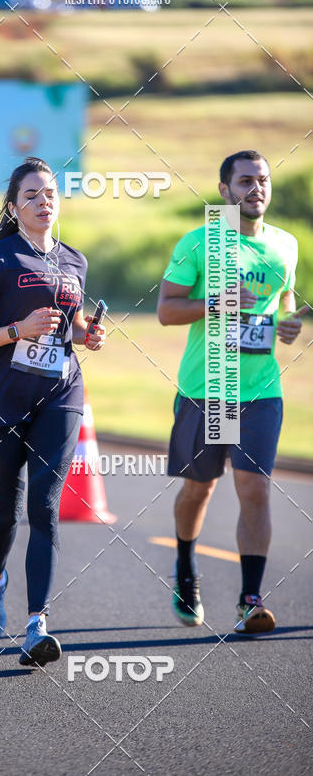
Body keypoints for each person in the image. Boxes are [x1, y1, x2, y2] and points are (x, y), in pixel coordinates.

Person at [0, 157, 106, 666]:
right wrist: (18, 330)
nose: (44, 201)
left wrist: (89, 335)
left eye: (50, 193)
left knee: (44, 504)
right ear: (14, 206)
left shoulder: (75, 262)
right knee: (8, 510)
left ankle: (37, 624)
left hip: (60, 393)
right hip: (2, 398)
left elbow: (72, 327)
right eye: (32, 195)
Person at [157, 150, 306, 634]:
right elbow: (166, 309)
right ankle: (185, 567)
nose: (256, 188)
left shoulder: (286, 244)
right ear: (225, 191)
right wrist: (213, 302)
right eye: (245, 181)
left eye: (262, 180)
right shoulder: (200, 242)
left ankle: (249, 599)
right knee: (199, 487)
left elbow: (283, 303)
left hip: (261, 389)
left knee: (255, 487)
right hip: (208, 388)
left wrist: (287, 326)